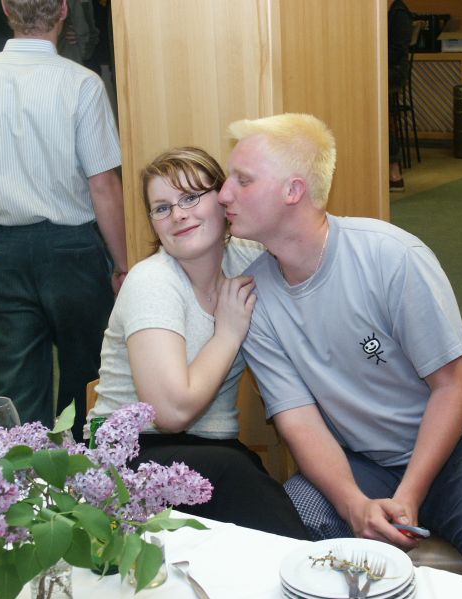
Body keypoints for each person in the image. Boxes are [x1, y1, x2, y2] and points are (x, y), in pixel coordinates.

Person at [217, 113, 462, 583]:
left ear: (293, 190)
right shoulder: (255, 295)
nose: (223, 194)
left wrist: (410, 494)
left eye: (242, 180)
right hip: (363, 459)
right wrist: (353, 505)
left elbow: (453, 385)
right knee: (288, 551)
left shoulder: (391, 257)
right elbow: (298, 420)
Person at [0, 0, 128, 441]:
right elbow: (103, 184)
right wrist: (123, 263)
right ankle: (87, 470)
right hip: (74, 250)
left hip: (1, 254)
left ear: (5, 9)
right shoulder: (82, 83)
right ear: (64, 10)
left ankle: (23, 478)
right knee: (90, 379)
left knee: (14, 393)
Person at [87, 146, 308, 539]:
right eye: (162, 208)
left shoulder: (249, 263)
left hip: (211, 451)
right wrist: (228, 333)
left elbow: (304, 244)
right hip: (128, 454)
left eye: (191, 197)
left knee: (248, 479)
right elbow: (171, 413)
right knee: (239, 477)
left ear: (223, 202)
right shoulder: (152, 282)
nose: (178, 215)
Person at [388, 0, 413, 192]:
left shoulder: (399, 12)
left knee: (373, 109)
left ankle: (393, 166)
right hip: (376, 66)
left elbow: (397, 51)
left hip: (394, 69)